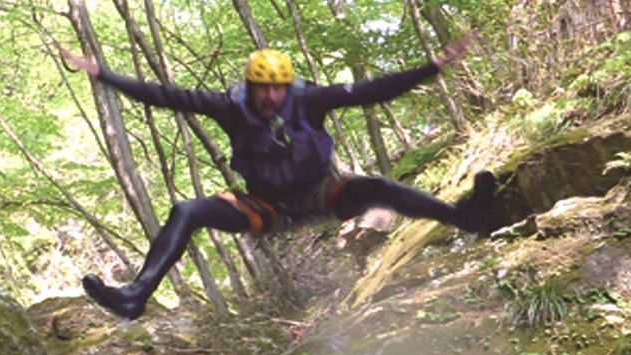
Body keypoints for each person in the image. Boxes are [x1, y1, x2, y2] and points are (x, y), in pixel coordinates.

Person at [60, 35, 499, 319]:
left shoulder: (311, 101)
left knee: (381, 188)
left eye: (277, 88)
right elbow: (164, 96)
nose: (270, 97)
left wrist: (435, 65)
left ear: (288, 87)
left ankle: (468, 218)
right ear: (249, 87)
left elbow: (373, 90)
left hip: (324, 194)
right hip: (265, 207)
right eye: (262, 88)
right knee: (186, 210)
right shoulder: (228, 107)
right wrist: (103, 73)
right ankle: (137, 293)